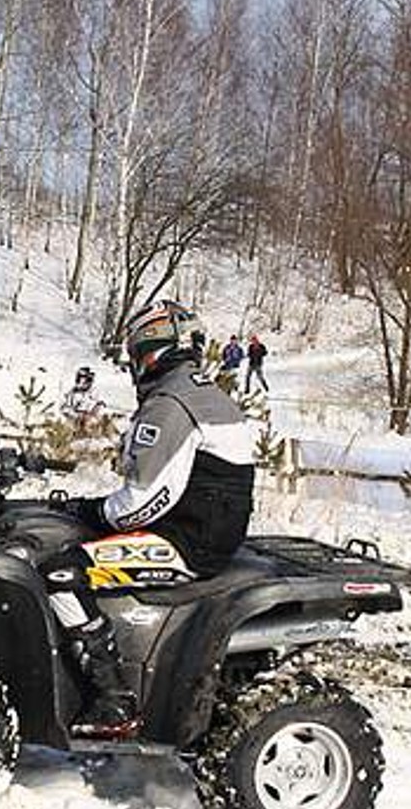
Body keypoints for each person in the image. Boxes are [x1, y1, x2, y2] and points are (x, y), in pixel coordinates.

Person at [49, 299, 257, 738]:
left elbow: (141, 503)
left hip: (187, 543)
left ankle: (112, 697)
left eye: (137, 350)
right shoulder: (205, 393)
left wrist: (88, 510)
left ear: (150, 351)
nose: (133, 362)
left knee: (61, 573)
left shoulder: (171, 404)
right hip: (204, 530)